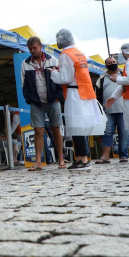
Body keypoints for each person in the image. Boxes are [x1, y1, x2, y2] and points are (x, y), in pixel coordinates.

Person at [50, 29, 105, 171]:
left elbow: (65, 78)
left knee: (76, 127)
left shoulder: (65, 55)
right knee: (80, 127)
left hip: (74, 93)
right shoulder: (78, 53)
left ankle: (82, 159)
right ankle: (82, 158)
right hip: (84, 91)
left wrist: (54, 73)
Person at [20, 36, 65, 170]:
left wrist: (58, 97)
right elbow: (24, 84)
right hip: (36, 102)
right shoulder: (25, 63)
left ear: (40, 47)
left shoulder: (53, 60)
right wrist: (29, 99)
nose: (32, 51)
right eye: (30, 49)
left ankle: (61, 159)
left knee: (56, 128)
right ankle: (38, 161)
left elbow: (60, 80)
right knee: (38, 130)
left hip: (53, 100)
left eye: (34, 48)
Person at [95, 56, 129, 164]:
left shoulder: (124, 74)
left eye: (114, 61)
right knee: (106, 132)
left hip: (124, 110)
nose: (113, 63)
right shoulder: (101, 78)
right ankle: (105, 156)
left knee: (124, 133)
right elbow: (97, 94)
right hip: (108, 111)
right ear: (106, 65)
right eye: (110, 62)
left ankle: (123, 155)